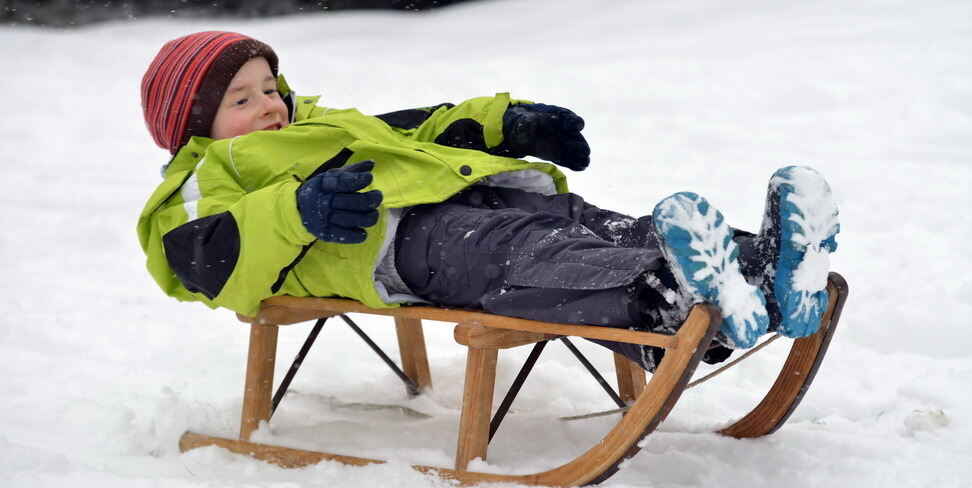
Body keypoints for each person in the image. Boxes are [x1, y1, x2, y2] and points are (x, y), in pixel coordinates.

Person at [138, 31, 840, 371]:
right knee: (528, 256)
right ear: (193, 123)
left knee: (585, 224)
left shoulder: (322, 125)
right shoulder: (202, 178)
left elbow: (420, 126)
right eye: (241, 97)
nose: (268, 104)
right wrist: (296, 211)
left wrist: (507, 122)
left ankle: (760, 267)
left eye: (270, 87)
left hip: (465, 197)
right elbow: (202, 258)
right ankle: (668, 302)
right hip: (395, 247)